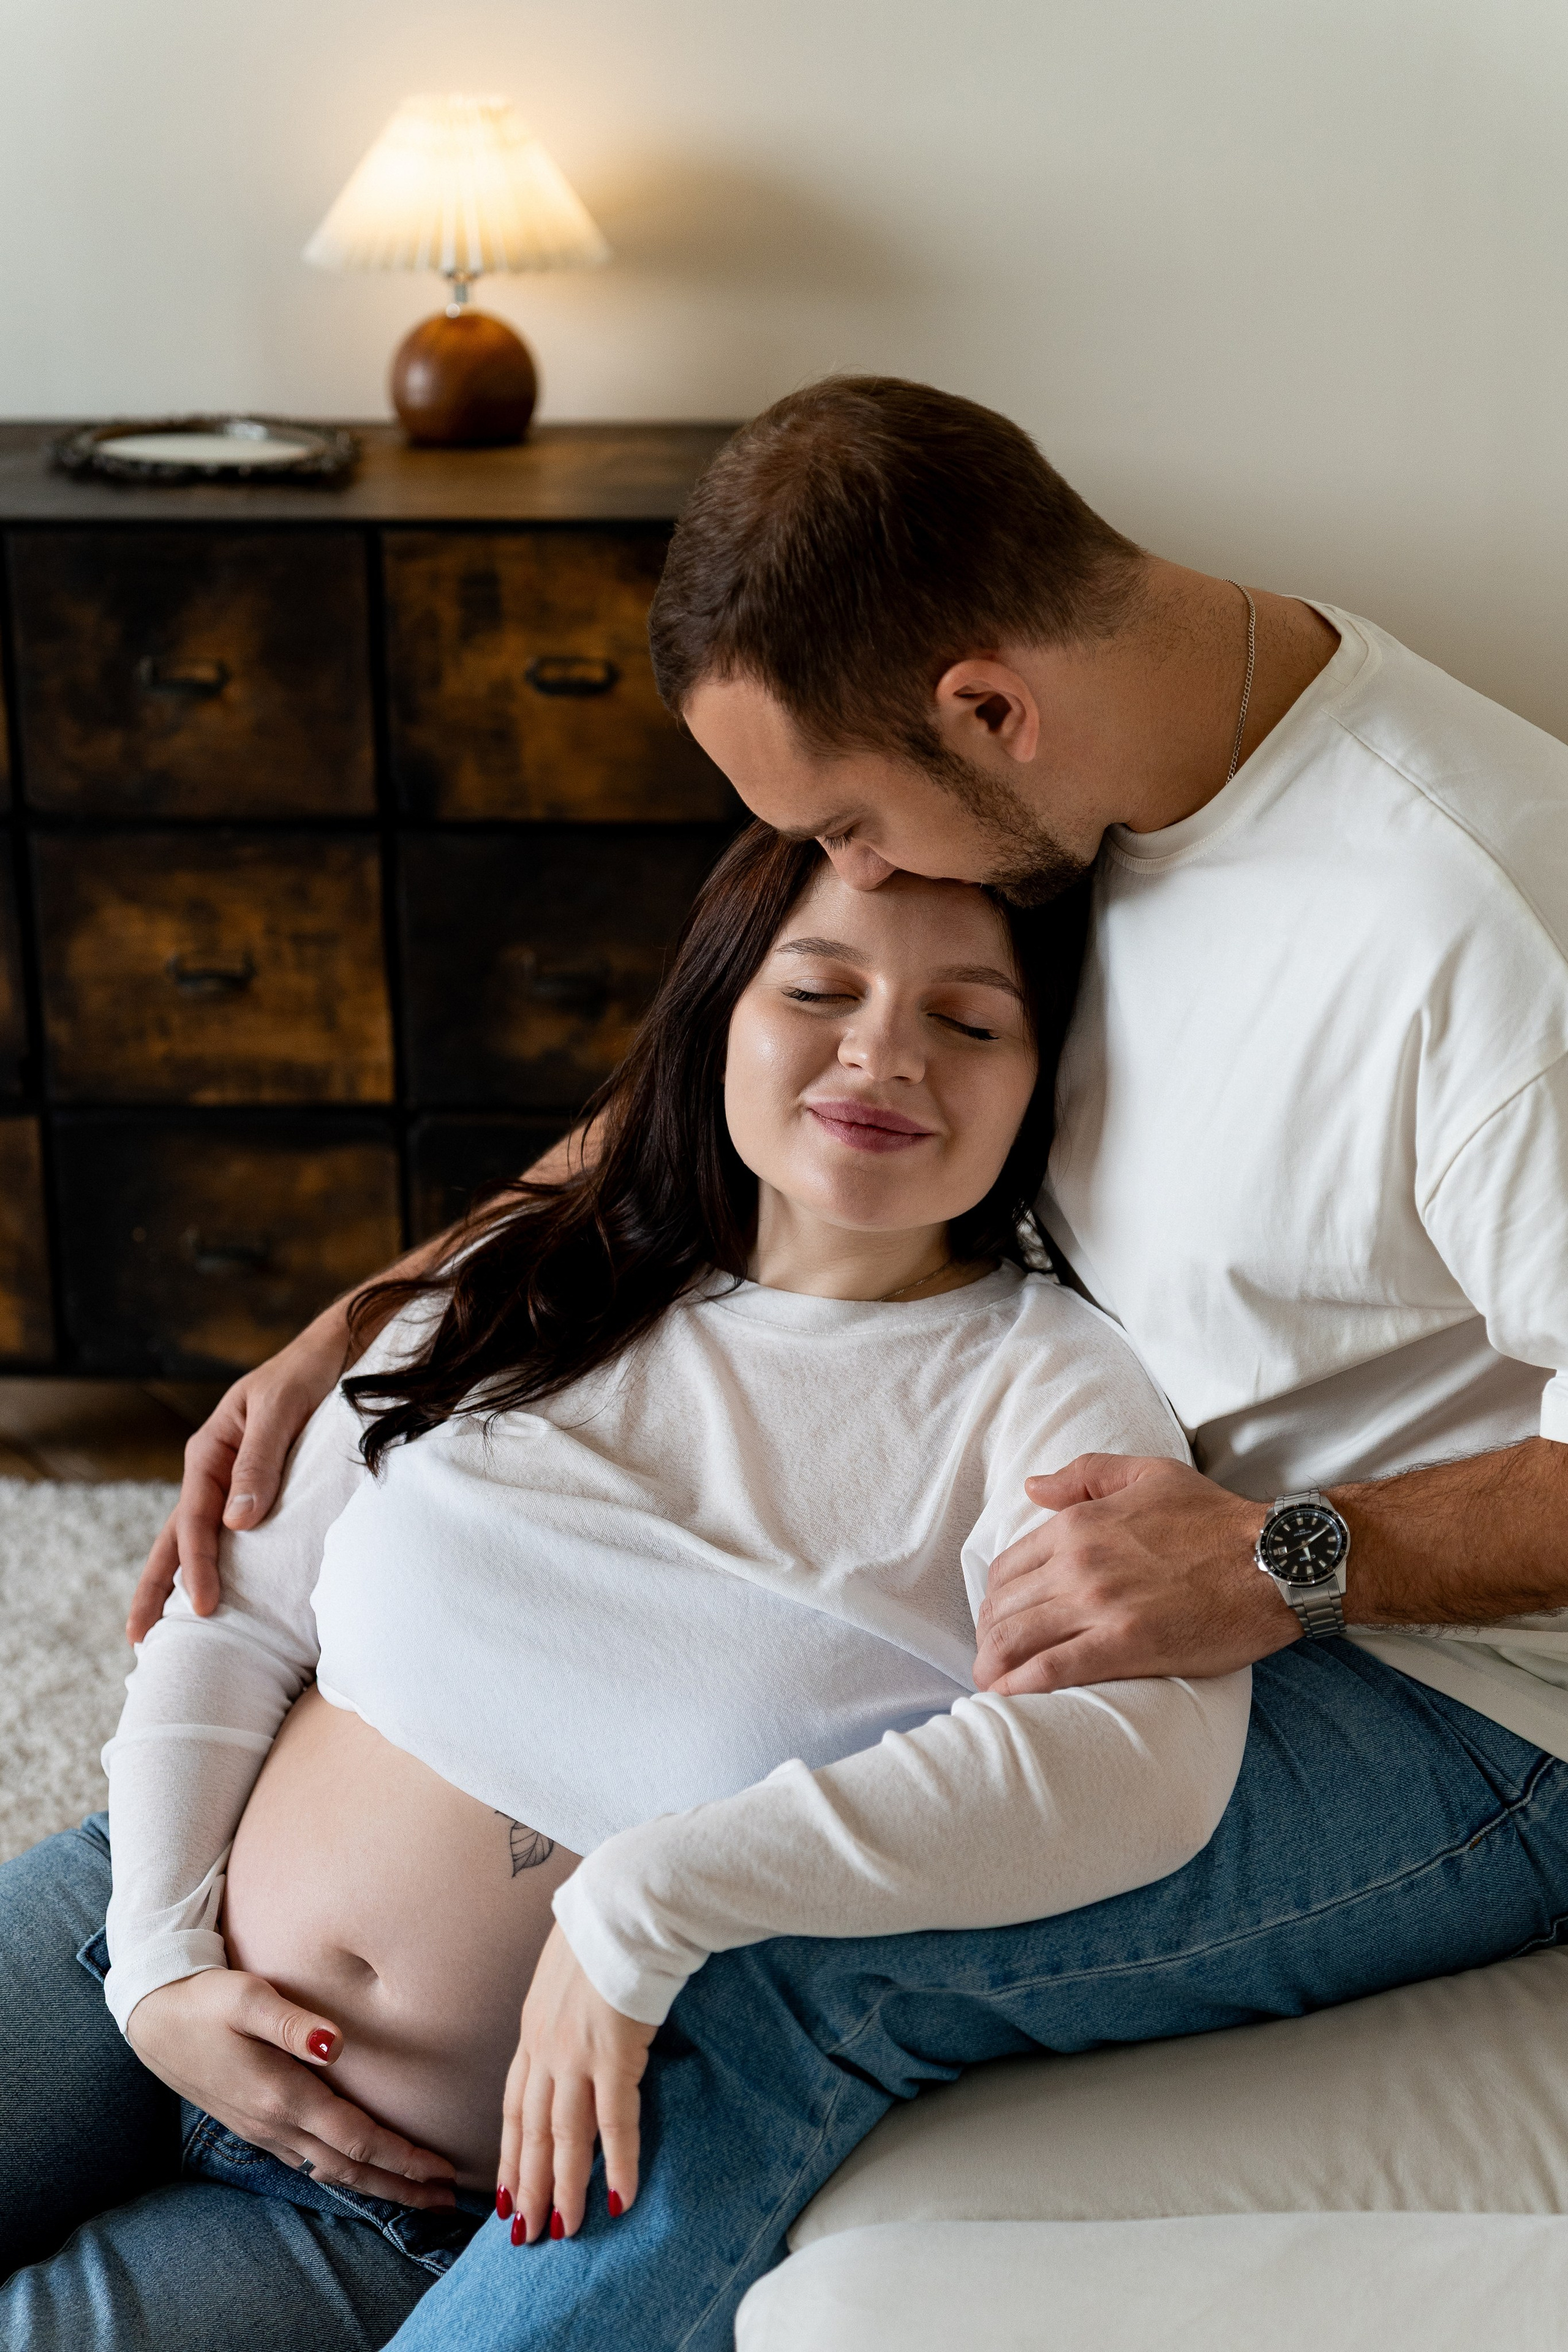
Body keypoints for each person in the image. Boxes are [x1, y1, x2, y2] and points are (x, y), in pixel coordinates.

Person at [119, 375, 1568, 2352]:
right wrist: (365, 1315)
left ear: (986, 708)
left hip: (1466, 1704)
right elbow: (737, 1065)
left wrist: (1281, 1557)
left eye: (840, 820)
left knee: (773, 1956)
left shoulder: (1472, 913)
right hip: (1174, 1543)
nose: (841, 864)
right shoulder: (1103, 801)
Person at [1, 832, 1254, 2346]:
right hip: (131, 1927)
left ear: (1042, 1078)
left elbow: (1135, 1769)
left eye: (968, 1021)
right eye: (820, 988)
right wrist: (155, 1964)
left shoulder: (1043, 1392)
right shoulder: (552, 1266)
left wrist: (662, 1893)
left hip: (399, 2195)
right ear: (721, 1010)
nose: (883, 1054)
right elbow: (240, 1604)